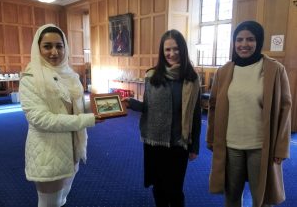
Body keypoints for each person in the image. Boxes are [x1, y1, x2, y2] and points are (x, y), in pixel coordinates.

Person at [206, 21, 292, 207]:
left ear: (259, 41)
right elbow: (213, 107)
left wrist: (281, 147)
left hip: (261, 147)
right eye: (239, 39)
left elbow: (286, 108)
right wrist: (212, 137)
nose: (244, 44)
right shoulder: (224, 71)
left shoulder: (274, 70)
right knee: (232, 195)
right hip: (231, 145)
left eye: (250, 39)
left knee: (261, 197)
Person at [19, 24, 101, 207]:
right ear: (37, 48)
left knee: (63, 198)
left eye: (59, 46)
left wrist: (103, 107)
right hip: (48, 153)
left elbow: (75, 107)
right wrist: (87, 120)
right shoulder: (30, 79)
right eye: (47, 46)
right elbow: (41, 119)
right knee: (49, 204)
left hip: (70, 148)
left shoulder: (69, 75)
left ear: (65, 48)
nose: (54, 52)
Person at [124, 29, 202, 207]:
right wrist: (131, 103)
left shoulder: (192, 78)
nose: (172, 53)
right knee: (159, 188)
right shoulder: (152, 76)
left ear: (182, 49)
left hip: (179, 143)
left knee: (175, 190)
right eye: (167, 50)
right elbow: (147, 106)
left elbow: (196, 115)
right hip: (155, 141)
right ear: (162, 51)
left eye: (176, 49)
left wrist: (194, 146)